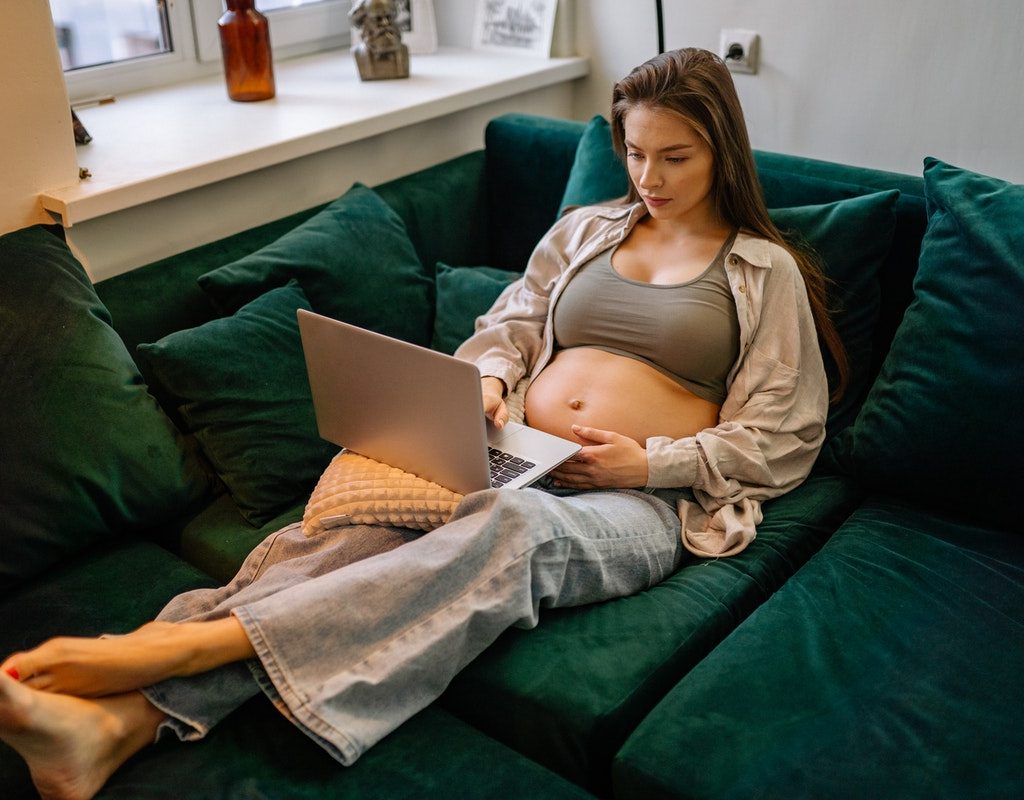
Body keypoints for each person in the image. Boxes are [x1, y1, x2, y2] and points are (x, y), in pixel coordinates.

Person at [0, 48, 845, 799]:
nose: (650, 176)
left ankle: (177, 648)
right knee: (350, 542)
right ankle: (110, 732)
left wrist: (647, 465)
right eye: (634, 152)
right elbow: (511, 327)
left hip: (641, 506)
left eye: (676, 156)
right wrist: (483, 384)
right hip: (518, 450)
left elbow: (785, 433)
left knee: (510, 529)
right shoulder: (587, 230)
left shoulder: (761, 271)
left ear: (721, 151)